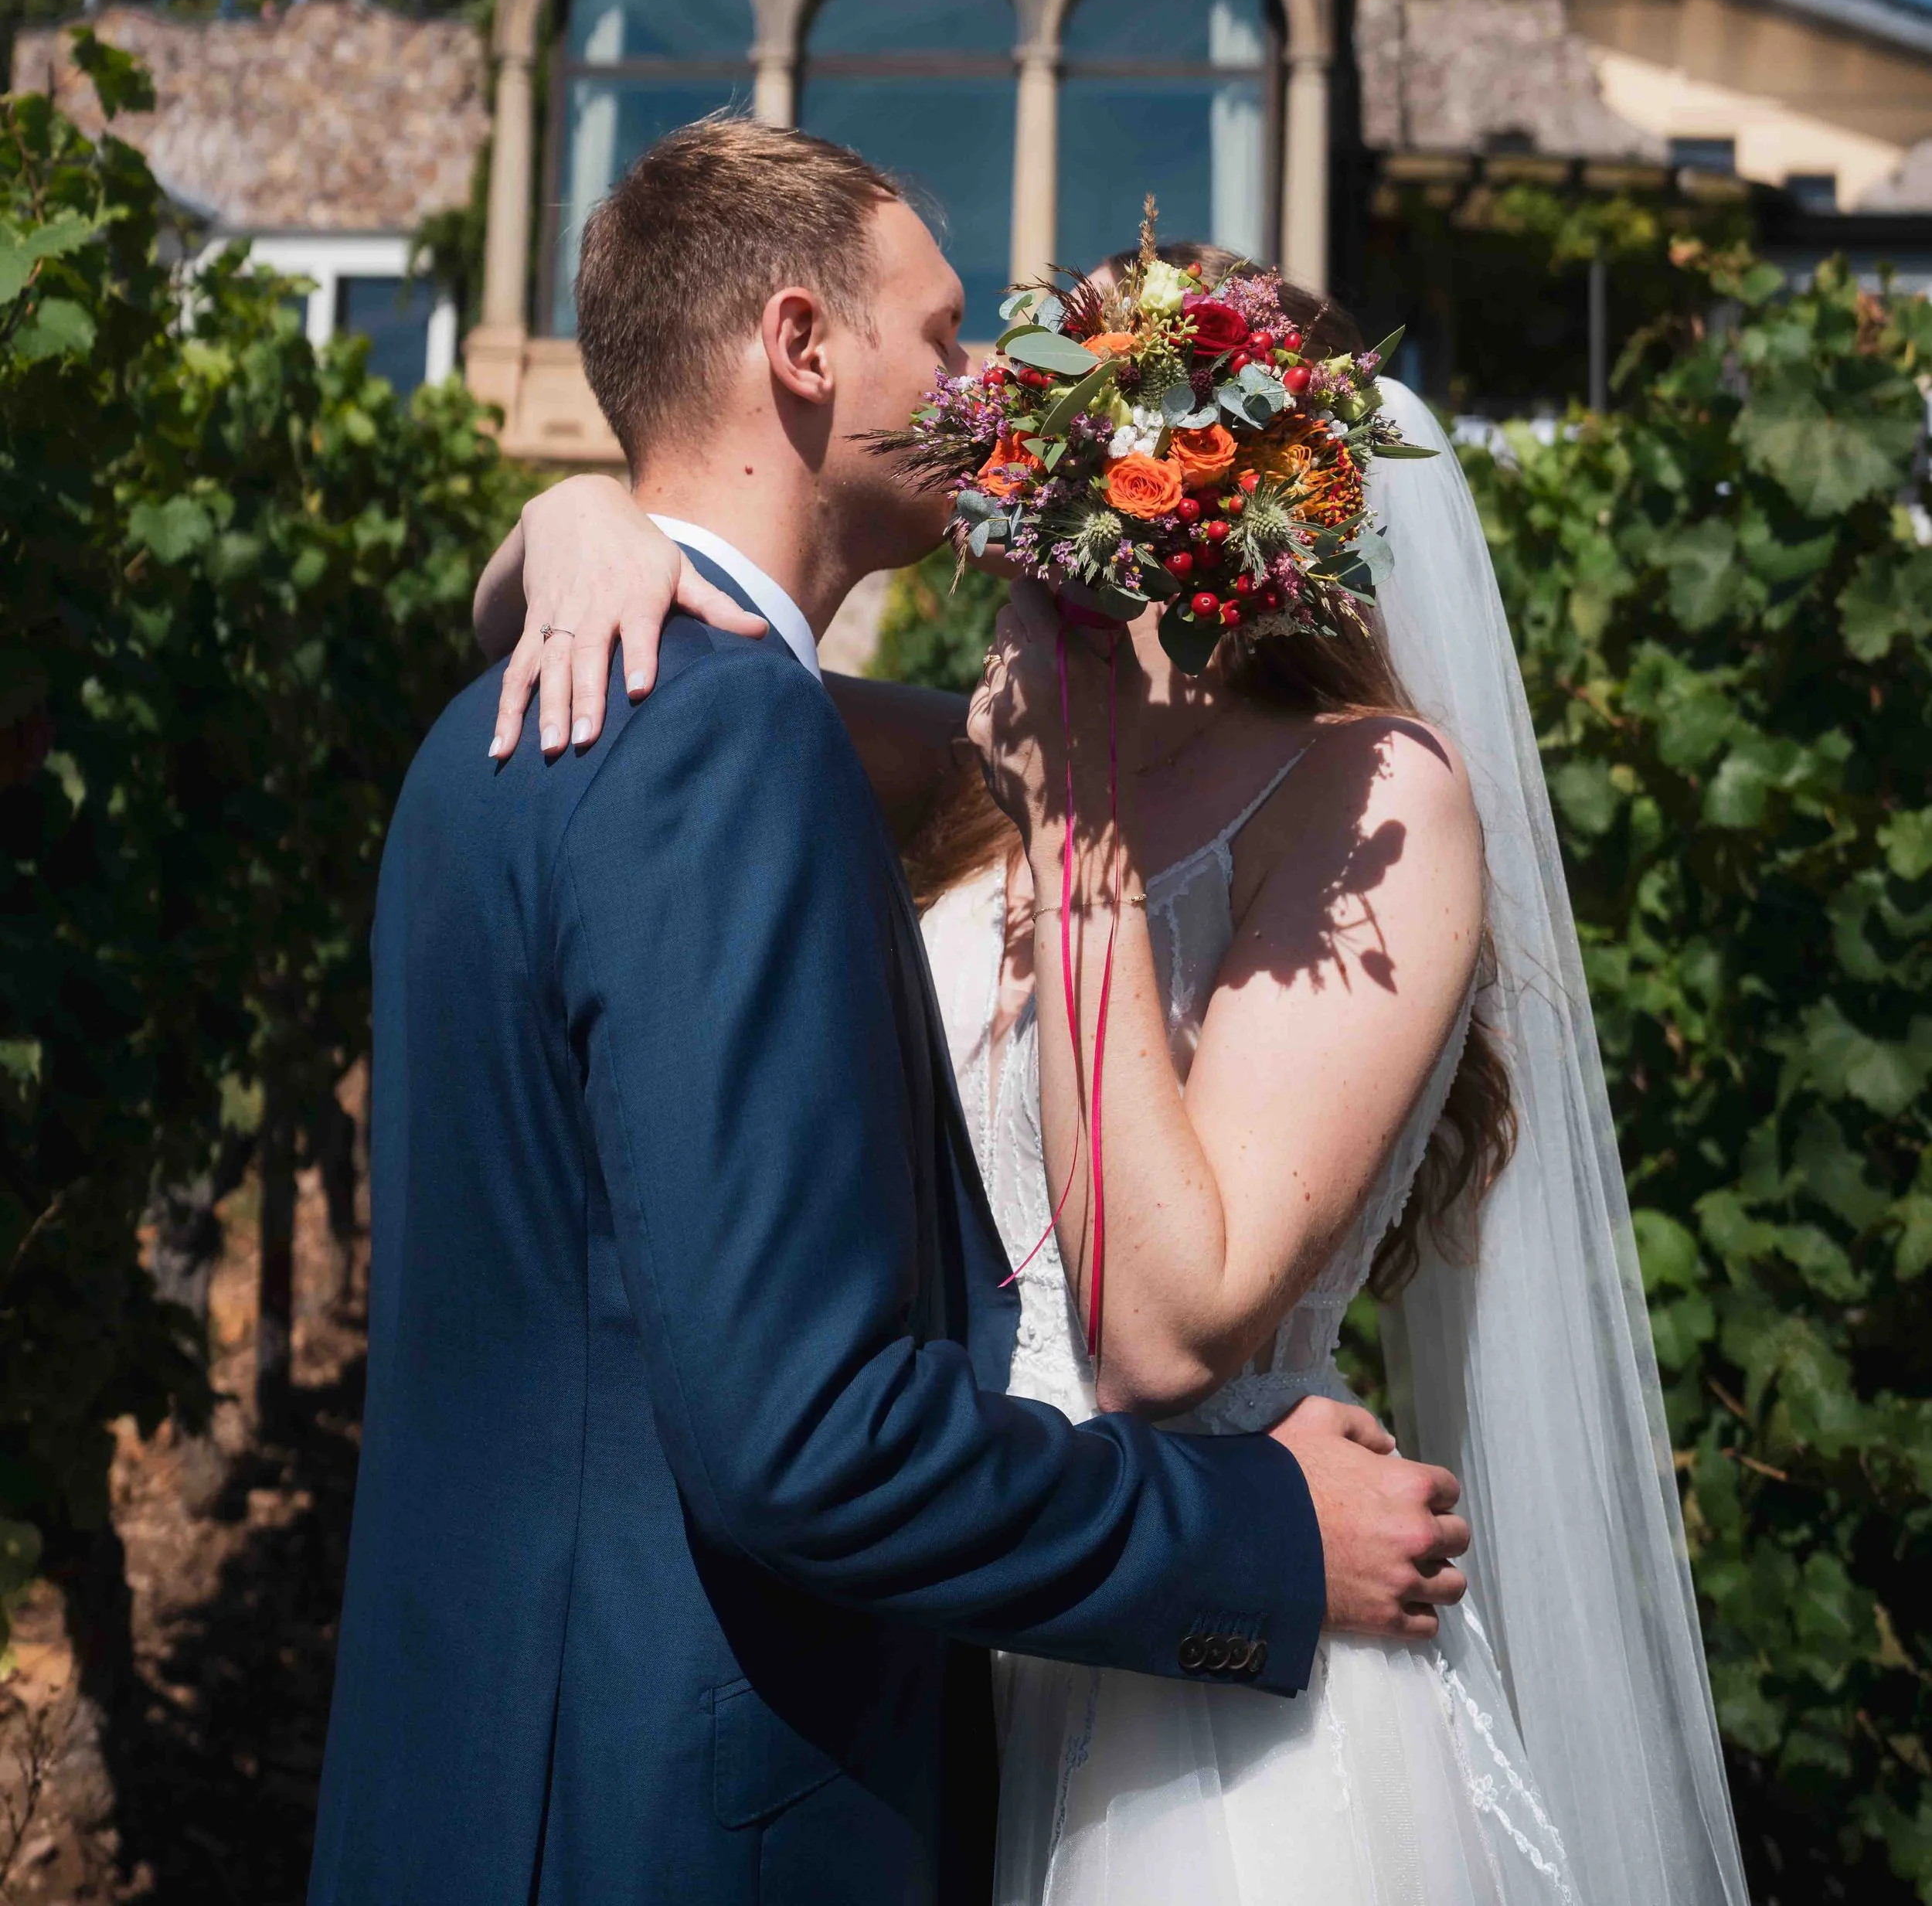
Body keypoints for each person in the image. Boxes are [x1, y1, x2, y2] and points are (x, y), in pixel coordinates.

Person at [486, 223, 1753, 1906]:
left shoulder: (1368, 794)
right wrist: (570, 526)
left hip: (1224, 1697)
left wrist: (1070, 830)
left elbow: (1164, 1327)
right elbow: (626, 674)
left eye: (1108, 432)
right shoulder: (973, 764)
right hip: (966, 1614)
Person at [309, 128, 1471, 1906]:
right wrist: (572, 523)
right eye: (944, 339)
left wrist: (571, 526)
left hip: (512, 1765)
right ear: (797, 344)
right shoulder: (743, 737)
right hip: (723, 1779)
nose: (990, 397)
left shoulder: (485, 740)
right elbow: (804, 1437)